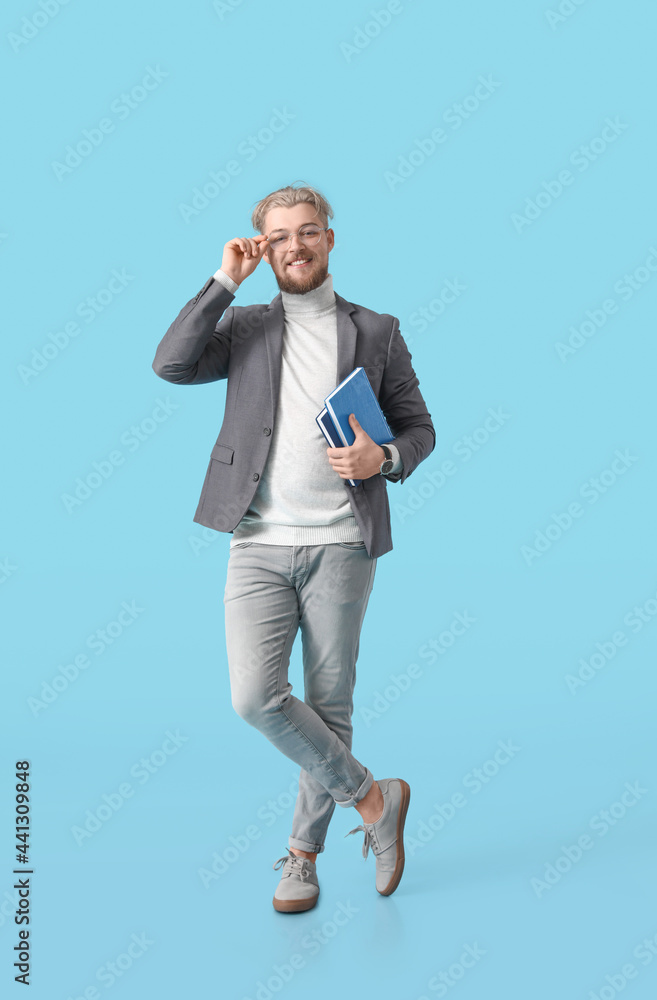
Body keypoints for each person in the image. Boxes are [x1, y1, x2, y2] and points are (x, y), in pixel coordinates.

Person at [152, 182, 436, 912]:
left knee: (329, 704)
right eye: (278, 237)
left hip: (344, 543)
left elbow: (418, 429)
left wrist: (387, 460)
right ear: (263, 247)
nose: (295, 246)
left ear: (330, 239)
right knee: (256, 697)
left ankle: (302, 858)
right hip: (256, 540)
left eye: (308, 232)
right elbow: (172, 364)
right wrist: (222, 280)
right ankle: (376, 802)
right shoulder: (244, 324)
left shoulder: (375, 330)